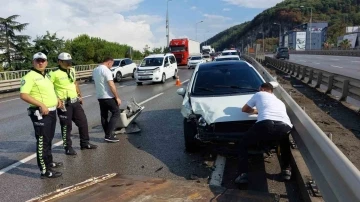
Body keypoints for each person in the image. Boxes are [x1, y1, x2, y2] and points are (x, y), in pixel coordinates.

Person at [235, 82, 293, 184]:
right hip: (285, 125)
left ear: (262, 89)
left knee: (243, 145)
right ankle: (286, 171)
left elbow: (245, 109)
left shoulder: (260, 94)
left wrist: (256, 111)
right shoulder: (279, 101)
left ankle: (242, 174)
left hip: (266, 123)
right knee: (284, 145)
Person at [20, 52, 63, 178]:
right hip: (40, 113)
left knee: (49, 139)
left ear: (47, 62)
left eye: (43, 60)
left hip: (51, 111)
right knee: (42, 142)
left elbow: (50, 91)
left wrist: (57, 99)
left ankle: (49, 162)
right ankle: (44, 171)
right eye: (38, 61)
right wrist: (41, 104)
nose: (40, 63)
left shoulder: (47, 76)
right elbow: (24, 95)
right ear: (33, 62)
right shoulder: (29, 76)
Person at [49, 52, 98, 155]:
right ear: (59, 62)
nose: (68, 64)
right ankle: (68, 147)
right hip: (64, 104)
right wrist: (57, 99)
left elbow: (74, 83)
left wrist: (79, 95)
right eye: (66, 62)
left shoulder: (72, 70)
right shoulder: (53, 73)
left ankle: (85, 143)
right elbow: (49, 88)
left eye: (69, 62)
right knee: (66, 126)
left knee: (83, 122)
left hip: (75, 101)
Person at [92, 57, 121, 143]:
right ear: (109, 62)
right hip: (108, 96)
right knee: (116, 113)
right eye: (111, 64)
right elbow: (111, 85)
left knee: (104, 116)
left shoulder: (95, 70)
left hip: (100, 97)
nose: (111, 66)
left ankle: (108, 134)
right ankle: (108, 135)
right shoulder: (106, 70)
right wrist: (117, 97)